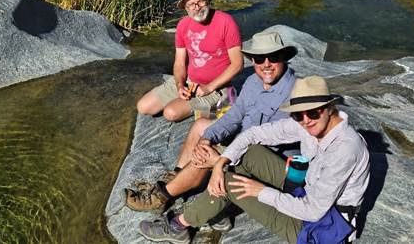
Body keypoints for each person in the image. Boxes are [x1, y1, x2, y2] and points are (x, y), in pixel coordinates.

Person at [138, 76, 370, 244]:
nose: (307, 120)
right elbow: (252, 134)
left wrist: (260, 191)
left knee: (231, 182)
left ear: (330, 107)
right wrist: (220, 162)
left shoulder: (345, 148)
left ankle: (179, 225)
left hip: (323, 225)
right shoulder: (306, 123)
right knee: (248, 152)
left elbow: (313, 211)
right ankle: (216, 209)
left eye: (314, 112)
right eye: (299, 114)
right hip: (307, 188)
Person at [126, 31, 298, 215]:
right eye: (259, 59)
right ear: (253, 60)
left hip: (265, 160)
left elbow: (265, 147)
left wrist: (221, 157)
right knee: (201, 127)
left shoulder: (294, 93)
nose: (266, 65)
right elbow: (235, 115)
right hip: (244, 140)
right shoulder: (253, 82)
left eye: (273, 57)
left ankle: (161, 197)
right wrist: (207, 138)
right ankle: (177, 177)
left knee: (207, 156)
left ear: (284, 58)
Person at [136, 0, 243, 122]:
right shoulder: (183, 25)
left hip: (216, 86)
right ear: (185, 8)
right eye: (191, 4)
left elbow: (238, 64)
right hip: (189, 82)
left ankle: (226, 98)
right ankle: (196, 102)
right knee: (143, 107)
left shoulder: (226, 21)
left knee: (171, 113)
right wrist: (180, 85)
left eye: (200, 2)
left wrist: (209, 88)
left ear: (208, 1)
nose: (196, 8)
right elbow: (180, 62)